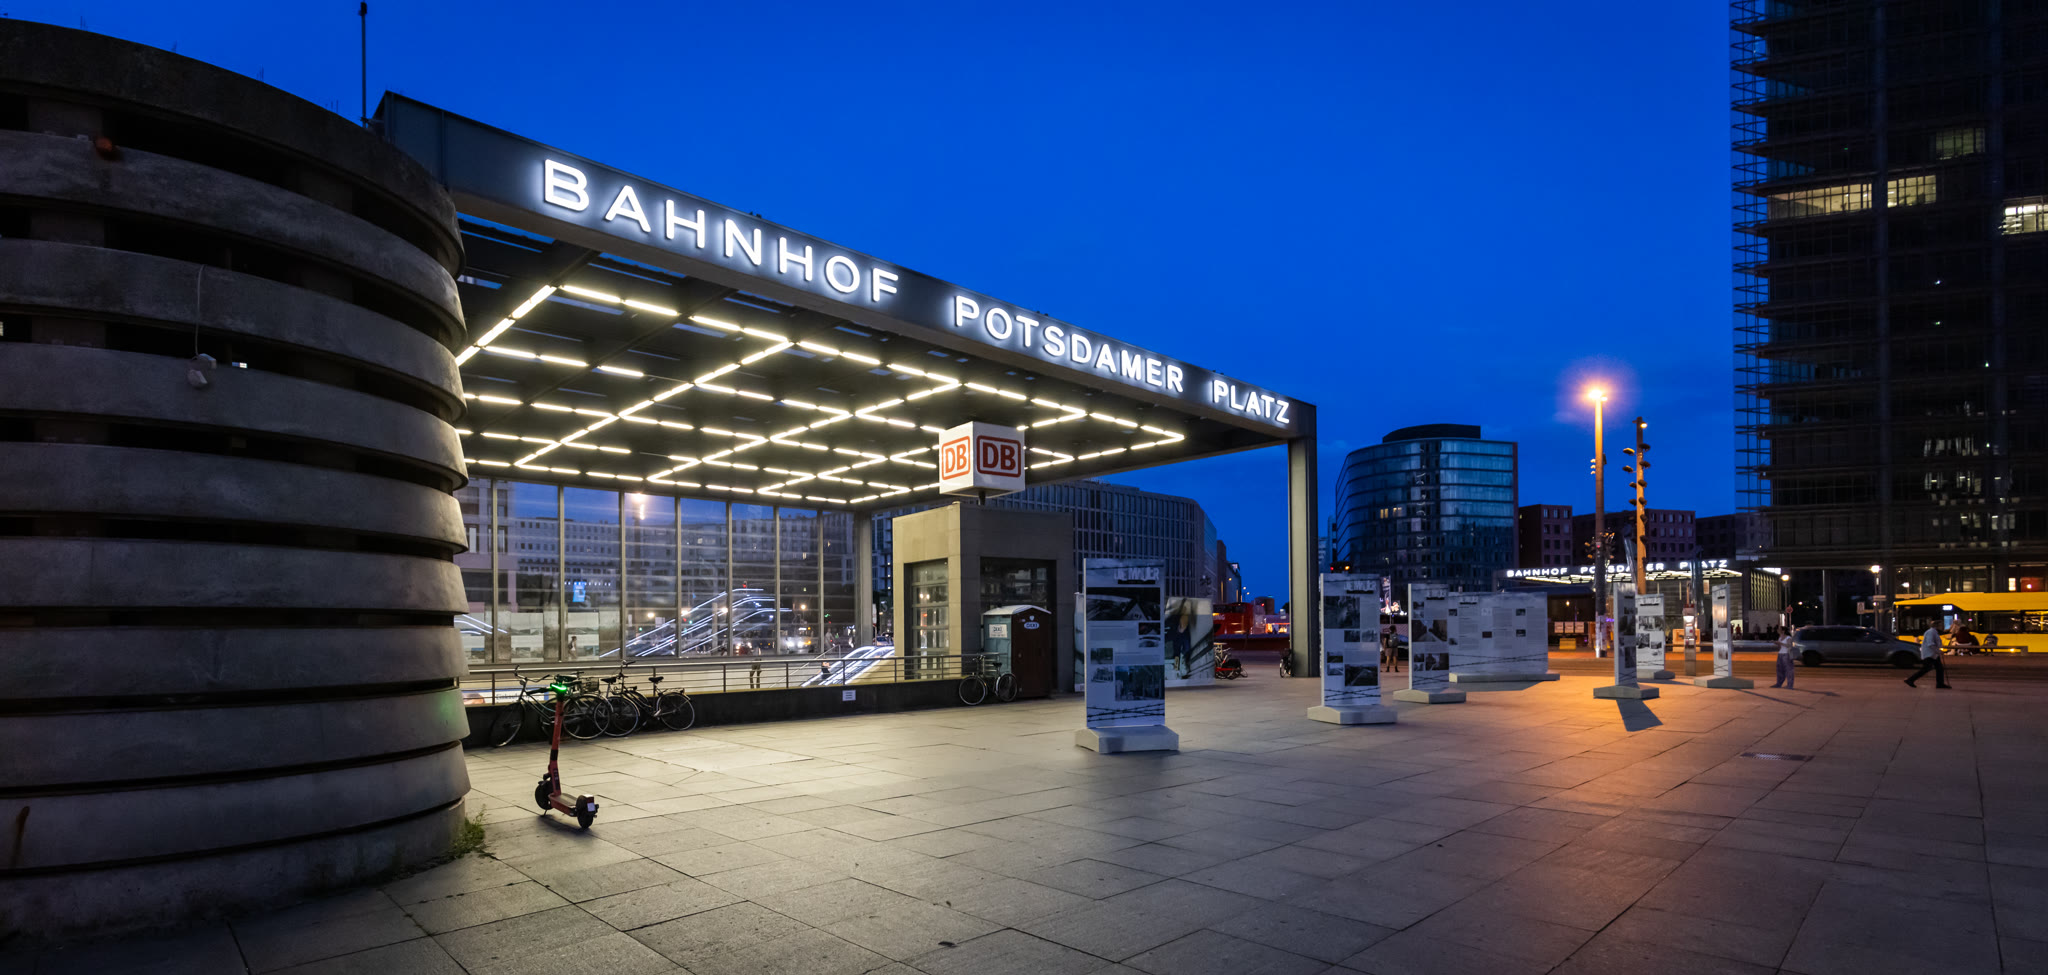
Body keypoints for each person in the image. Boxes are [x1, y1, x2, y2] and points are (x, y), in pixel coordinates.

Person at [1906, 622, 1952, 689]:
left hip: (1933, 654)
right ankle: (1911, 680)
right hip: (1930, 654)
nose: (1942, 627)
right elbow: (1930, 644)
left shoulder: (1934, 632)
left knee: (1939, 668)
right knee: (1927, 668)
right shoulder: (1931, 632)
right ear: (1937, 626)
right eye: (1941, 626)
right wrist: (1938, 651)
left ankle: (1940, 684)